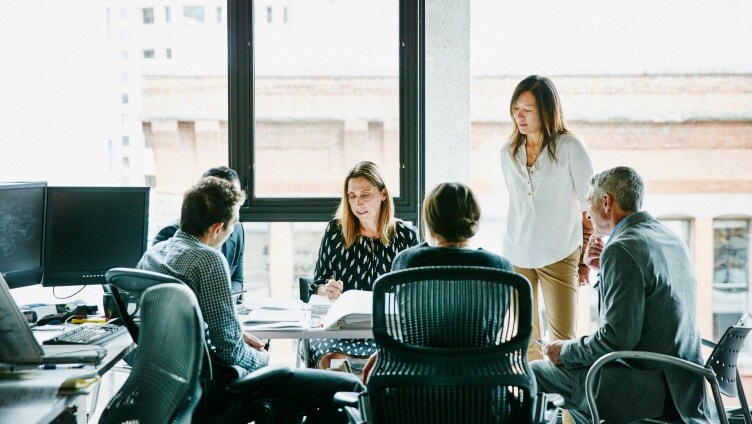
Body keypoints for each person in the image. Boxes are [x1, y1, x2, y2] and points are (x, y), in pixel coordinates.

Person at [138, 176, 363, 422]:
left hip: (171, 383)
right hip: (217, 384)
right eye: (233, 224)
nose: (233, 231)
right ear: (217, 228)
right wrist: (264, 358)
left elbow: (174, 323)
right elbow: (230, 351)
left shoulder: (153, 255)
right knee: (349, 386)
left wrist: (234, 332)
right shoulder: (209, 260)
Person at [531, 167, 718, 423]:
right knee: (577, 376)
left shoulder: (622, 248)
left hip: (651, 389)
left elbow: (617, 339)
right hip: (687, 385)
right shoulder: (670, 237)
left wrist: (564, 350)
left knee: (535, 372)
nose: (587, 213)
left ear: (606, 201)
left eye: (589, 202)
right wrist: (601, 270)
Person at [361, 182, 514, 382]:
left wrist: (389, 352)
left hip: (417, 388)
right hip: (483, 389)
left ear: (431, 225)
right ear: (474, 223)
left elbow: (416, 330)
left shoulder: (407, 262)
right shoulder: (499, 267)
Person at [500, 75, 594, 361]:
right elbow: (520, 205)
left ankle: (566, 394)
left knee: (563, 342)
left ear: (546, 111)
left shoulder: (570, 147)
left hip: (560, 253)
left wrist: (584, 260)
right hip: (517, 253)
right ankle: (534, 392)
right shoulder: (508, 152)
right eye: (516, 108)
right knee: (526, 341)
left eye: (528, 110)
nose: (519, 116)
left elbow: (589, 207)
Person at [310, 161, 419, 369]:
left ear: (383, 194)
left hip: (389, 330)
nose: (358, 203)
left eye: (365, 195)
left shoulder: (406, 235)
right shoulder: (335, 231)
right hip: (343, 330)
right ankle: (347, 392)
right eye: (352, 196)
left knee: (398, 358)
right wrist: (327, 289)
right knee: (332, 358)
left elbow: (416, 292)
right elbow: (317, 283)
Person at [153, 166, 245, 300]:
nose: (233, 205)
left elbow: (237, 279)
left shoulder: (152, 253)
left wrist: (226, 298)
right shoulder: (211, 259)